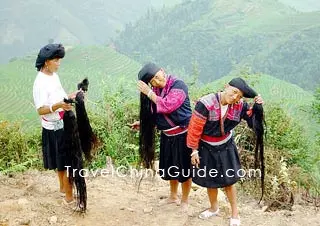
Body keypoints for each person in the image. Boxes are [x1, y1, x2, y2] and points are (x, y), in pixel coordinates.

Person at [186, 77, 264, 226]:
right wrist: (194, 151)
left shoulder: (239, 106)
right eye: (234, 92)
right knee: (210, 180)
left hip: (226, 147)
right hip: (206, 147)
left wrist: (257, 108)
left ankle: (235, 213)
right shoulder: (206, 103)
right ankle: (214, 207)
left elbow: (251, 121)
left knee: (229, 181)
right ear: (226, 86)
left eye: (239, 96)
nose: (235, 97)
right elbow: (194, 128)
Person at [130, 62, 193, 211]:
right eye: (153, 81)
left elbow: (167, 105)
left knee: (185, 169)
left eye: (158, 77)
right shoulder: (156, 90)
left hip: (183, 135)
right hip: (167, 136)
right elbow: (156, 113)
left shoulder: (179, 86)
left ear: (163, 71)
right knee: (171, 167)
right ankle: (173, 196)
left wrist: (148, 92)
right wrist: (144, 124)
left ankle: (185, 200)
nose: (158, 82)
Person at [33, 43, 78, 204]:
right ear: (47, 62)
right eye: (56, 60)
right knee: (65, 162)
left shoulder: (54, 76)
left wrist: (72, 96)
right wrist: (58, 105)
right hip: (53, 128)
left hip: (61, 121)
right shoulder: (40, 83)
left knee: (62, 161)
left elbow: (61, 96)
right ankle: (69, 197)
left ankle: (62, 188)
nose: (59, 64)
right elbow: (40, 109)